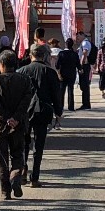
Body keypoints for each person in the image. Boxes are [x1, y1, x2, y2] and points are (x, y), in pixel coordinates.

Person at [0, 50, 37, 200]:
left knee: (2, 160)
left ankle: (5, 191)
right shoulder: (25, 80)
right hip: (19, 124)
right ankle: (15, 177)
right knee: (18, 154)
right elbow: (26, 101)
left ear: (1, 65)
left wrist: (7, 118)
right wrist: (16, 118)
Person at [26, 45, 62, 186]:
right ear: (44, 56)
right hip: (43, 110)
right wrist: (58, 112)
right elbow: (56, 95)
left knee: (23, 142)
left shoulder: (22, 71)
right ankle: (35, 177)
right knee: (38, 145)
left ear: (31, 55)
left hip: (25, 111)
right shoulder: (50, 72)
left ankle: (22, 170)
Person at [56, 36, 82, 116]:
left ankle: (60, 106)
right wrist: (80, 69)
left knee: (61, 91)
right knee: (71, 90)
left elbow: (57, 65)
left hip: (63, 74)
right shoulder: (74, 54)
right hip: (72, 74)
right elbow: (78, 64)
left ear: (65, 45)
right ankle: (71, 106)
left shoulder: (61, 53)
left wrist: (58, 72)